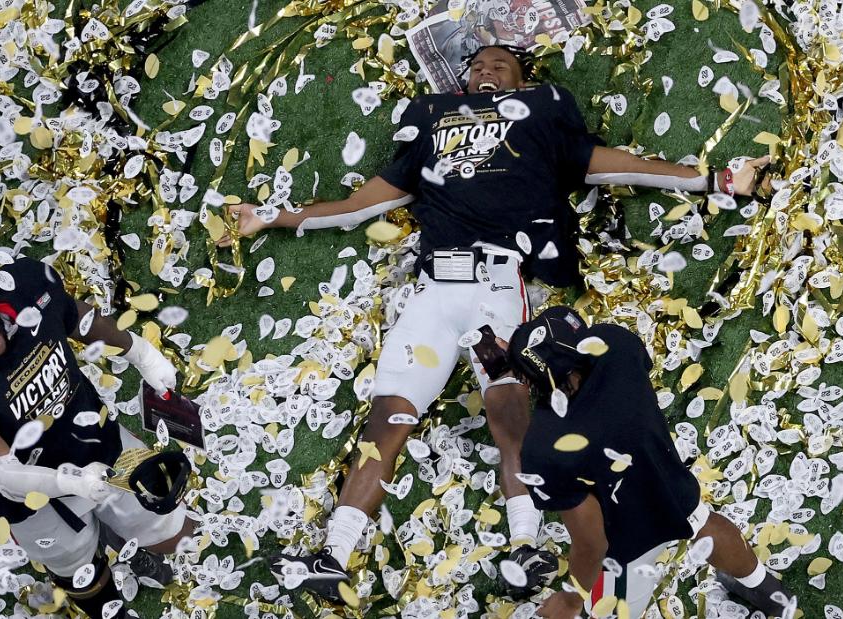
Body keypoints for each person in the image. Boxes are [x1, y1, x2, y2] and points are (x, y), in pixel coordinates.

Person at [218, 44, 770, 604]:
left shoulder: (538, 114)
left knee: (508, 406)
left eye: (500, 63)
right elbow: (363, 204)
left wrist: (715, 180)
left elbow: (609, 164)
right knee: (389, 414)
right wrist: (271, 217)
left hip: (498, 288)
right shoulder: (431, 120)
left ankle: (524, 544)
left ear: (522, 78)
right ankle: (333, 556)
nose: (485, 69)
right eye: (476, 65)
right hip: (433, 289)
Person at [0, 257, 196, 619]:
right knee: (79, 572)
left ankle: (122, 537)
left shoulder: (25, 286)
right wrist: (68, 481)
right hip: (35, 496)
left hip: (96, 441)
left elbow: (77, 317)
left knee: (173, 531)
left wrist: (141, 353)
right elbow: (0, 473)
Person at [503, 306, 793, 619]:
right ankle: (768, 592)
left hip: (627, 540)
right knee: (705, 524)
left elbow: (592, 544)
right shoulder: (616, 344)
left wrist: (571, 600)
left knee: (606, 612)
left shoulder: (544, 448)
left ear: (531, 383)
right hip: (668, 482)